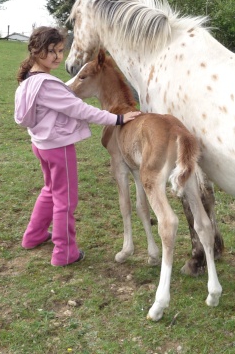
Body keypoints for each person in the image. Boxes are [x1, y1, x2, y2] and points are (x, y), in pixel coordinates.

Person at [14, 26, 141, 266]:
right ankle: (65, 252)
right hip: (58, 148)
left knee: (50, 190)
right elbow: (80, 109)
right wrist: (117, 118)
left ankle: (34, 235)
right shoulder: (48, 85)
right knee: (66, 200)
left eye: (60, 51)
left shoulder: (28, 81)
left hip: (40, 145)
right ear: (35, 51)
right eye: (51, 51)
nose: (57, 56)